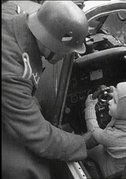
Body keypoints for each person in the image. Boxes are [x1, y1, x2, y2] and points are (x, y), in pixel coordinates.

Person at [2, 1, 93, 179]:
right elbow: (40, 137)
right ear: (53, 45)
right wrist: (83, 142)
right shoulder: (13, 73)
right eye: (69, 51)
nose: (70, 56)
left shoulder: (15, 10)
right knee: (31, 171)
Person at [84, 82, 126, 177]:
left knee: (83, 150)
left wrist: (89, 106)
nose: (109, 101)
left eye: (114, 101)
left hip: (111, 171)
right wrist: (116, 92)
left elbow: (93, 130)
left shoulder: (113, 136)